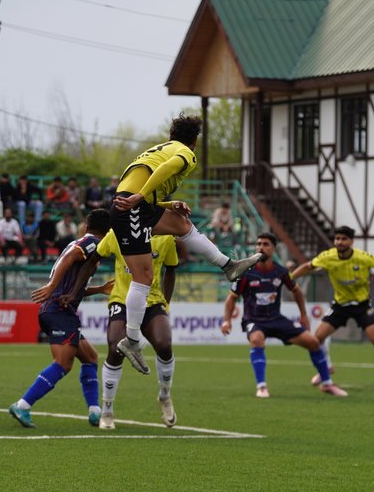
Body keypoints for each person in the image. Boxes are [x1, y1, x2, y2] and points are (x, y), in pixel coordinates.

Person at [110, 114, 262, 373]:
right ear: (194, 141)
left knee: (181, 224)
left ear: (171, 135)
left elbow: (143, 181)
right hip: (132, 207)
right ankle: (132, 340)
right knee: (143, 278)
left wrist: (168, 204)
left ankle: (228, 265)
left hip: (133, 205)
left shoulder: (156, 149)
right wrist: (140, 197)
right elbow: (167, 169)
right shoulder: (185, 153)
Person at [9, 209, 113, 429]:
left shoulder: (85, 240)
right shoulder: (93, 242)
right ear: (109, 231)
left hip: (60, 308)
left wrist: (99, 289)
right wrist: (51, 286)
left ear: (86, 225)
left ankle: (95, 412)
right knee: (63, 364)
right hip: (58, 310)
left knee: (90, 357)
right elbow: (70, 256)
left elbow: (73, 286)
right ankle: (23, 405)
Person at [221, 233, 346, 398]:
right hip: (254, 320)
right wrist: (227, 321)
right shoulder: (246, 273)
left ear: (273, 248)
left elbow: (296, 291)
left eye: (265, 244)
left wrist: (303, 316)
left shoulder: (281, 272)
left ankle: (327, 384)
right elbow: (231, 298)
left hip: (276, 319)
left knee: (313, 342)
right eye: (258, 244)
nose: (260, 247)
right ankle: (262, 387)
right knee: (257, 339)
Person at [291, 226, 374, 390]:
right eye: (337, 239)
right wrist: (289, 278)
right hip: (340, 305)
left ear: (351, 241)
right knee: (317, 339)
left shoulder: (362, 257)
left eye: (343, 239)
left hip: (362, 305)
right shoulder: (328, 257)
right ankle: (327, 368)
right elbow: (307, 266)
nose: (339, 242)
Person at [90, 231, 180, 429]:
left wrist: (166, 302)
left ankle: (165, 396)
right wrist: (80, 288)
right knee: (115, 350)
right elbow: (95, 256)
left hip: (152, 301)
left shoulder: (166, 238)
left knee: (164, 345)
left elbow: (171, 269)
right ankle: (107, 409)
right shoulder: (117, 232)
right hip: (122, 300)